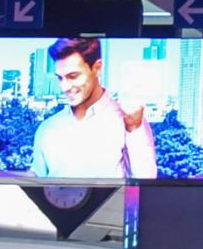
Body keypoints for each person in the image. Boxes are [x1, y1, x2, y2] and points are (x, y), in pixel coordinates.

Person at [30, 34, 155, 180]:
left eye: (73, 76)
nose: (64, 87)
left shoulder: (129, 122)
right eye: (60, 78)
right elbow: (36, 186)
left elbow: (146, 181)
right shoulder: (47, 128)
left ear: (97, 68)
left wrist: (134, 129)